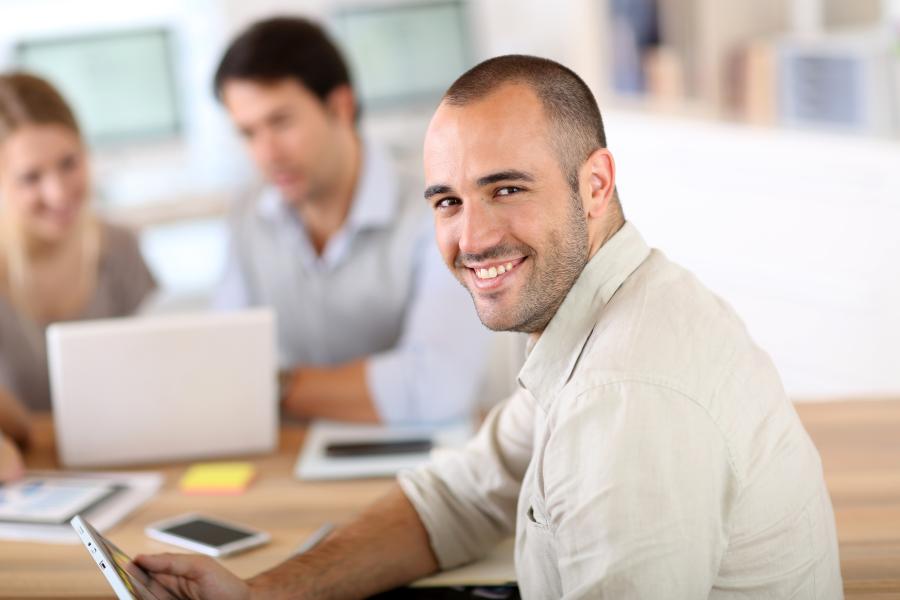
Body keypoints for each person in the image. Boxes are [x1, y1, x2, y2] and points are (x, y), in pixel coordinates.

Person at [136, 55, 843, 598]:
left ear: (595, 184)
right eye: (447, 201)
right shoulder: (593, 318)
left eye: (506, 189)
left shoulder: (626, 399)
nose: (471, 238)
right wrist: (264, 591)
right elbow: (460, 496)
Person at [211, 17, 490, 424]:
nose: (266, 153)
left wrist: (277, 386)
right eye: (248, 133)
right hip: (291, 453)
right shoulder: (247, 214)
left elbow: (436, 386)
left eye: (280, 122)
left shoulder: (434, 211)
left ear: (340, 105)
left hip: (418, 455)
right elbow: (223, 366)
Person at [0, 72, 156, 449]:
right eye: (30, 177)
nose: (57, 193)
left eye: (68, 163)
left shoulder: (120, 248)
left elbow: (152, 381)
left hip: (123, 458)